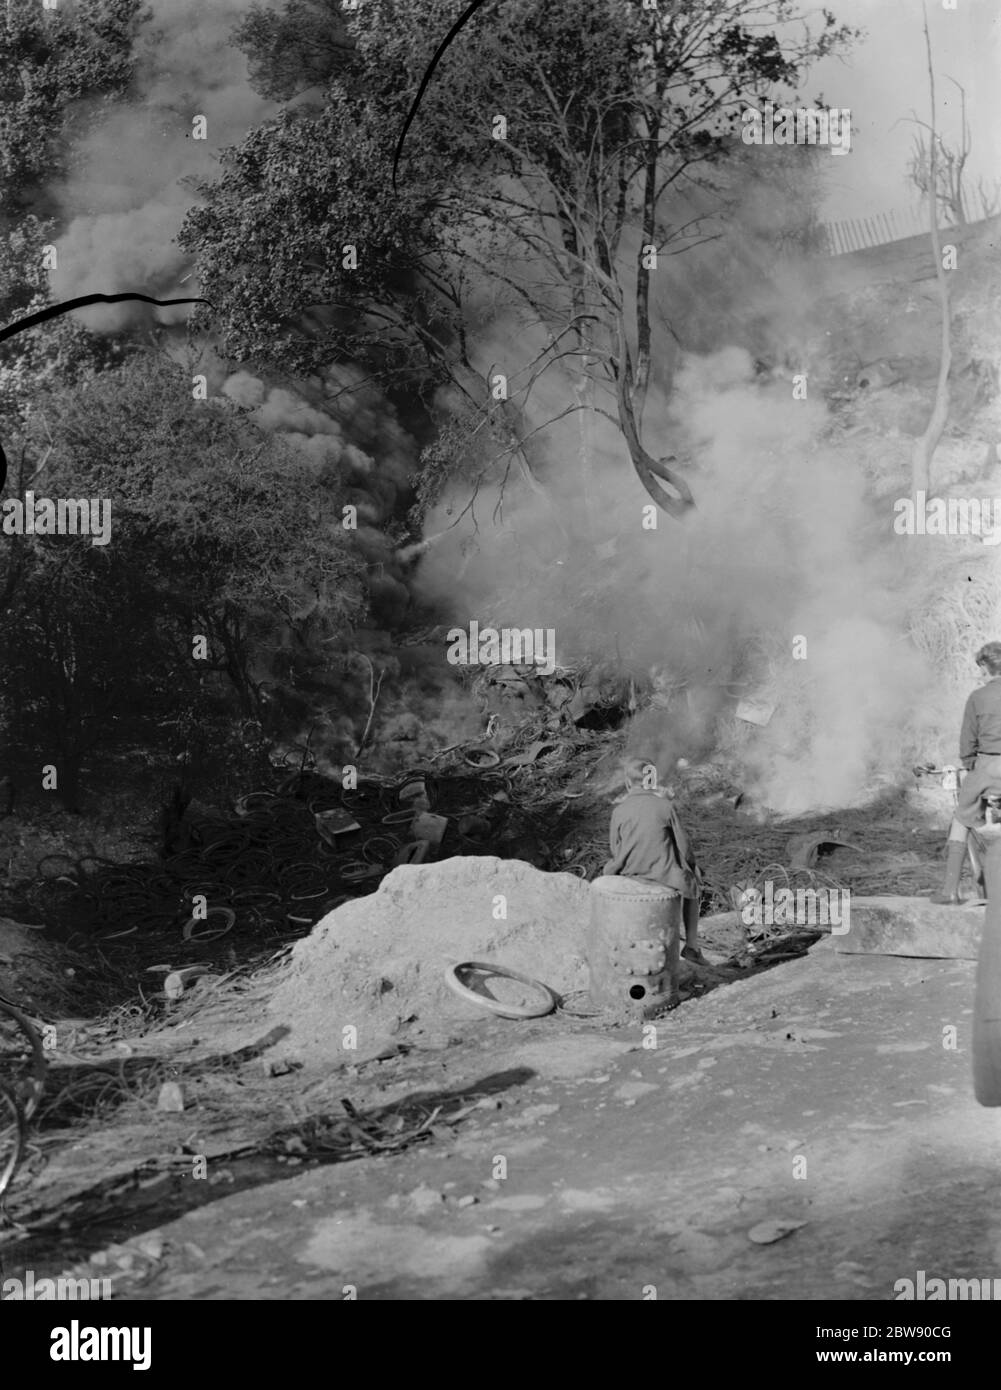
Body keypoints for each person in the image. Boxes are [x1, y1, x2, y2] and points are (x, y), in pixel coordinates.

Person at [603, 755, 707, 964]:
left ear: (627, 782)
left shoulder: (619, 811)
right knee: (692, 884)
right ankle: (692, 946)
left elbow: (615, 848)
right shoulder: (665, 807)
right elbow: (683, 846)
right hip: (663, 874)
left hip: (628, 871)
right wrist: (692, 868)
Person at [932, 641, 1001, 904]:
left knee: (961, 820)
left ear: (985, 668)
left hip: (987, 767)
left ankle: (950, 890)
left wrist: (969, 761)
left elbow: (967, 740)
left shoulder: (977, 697)